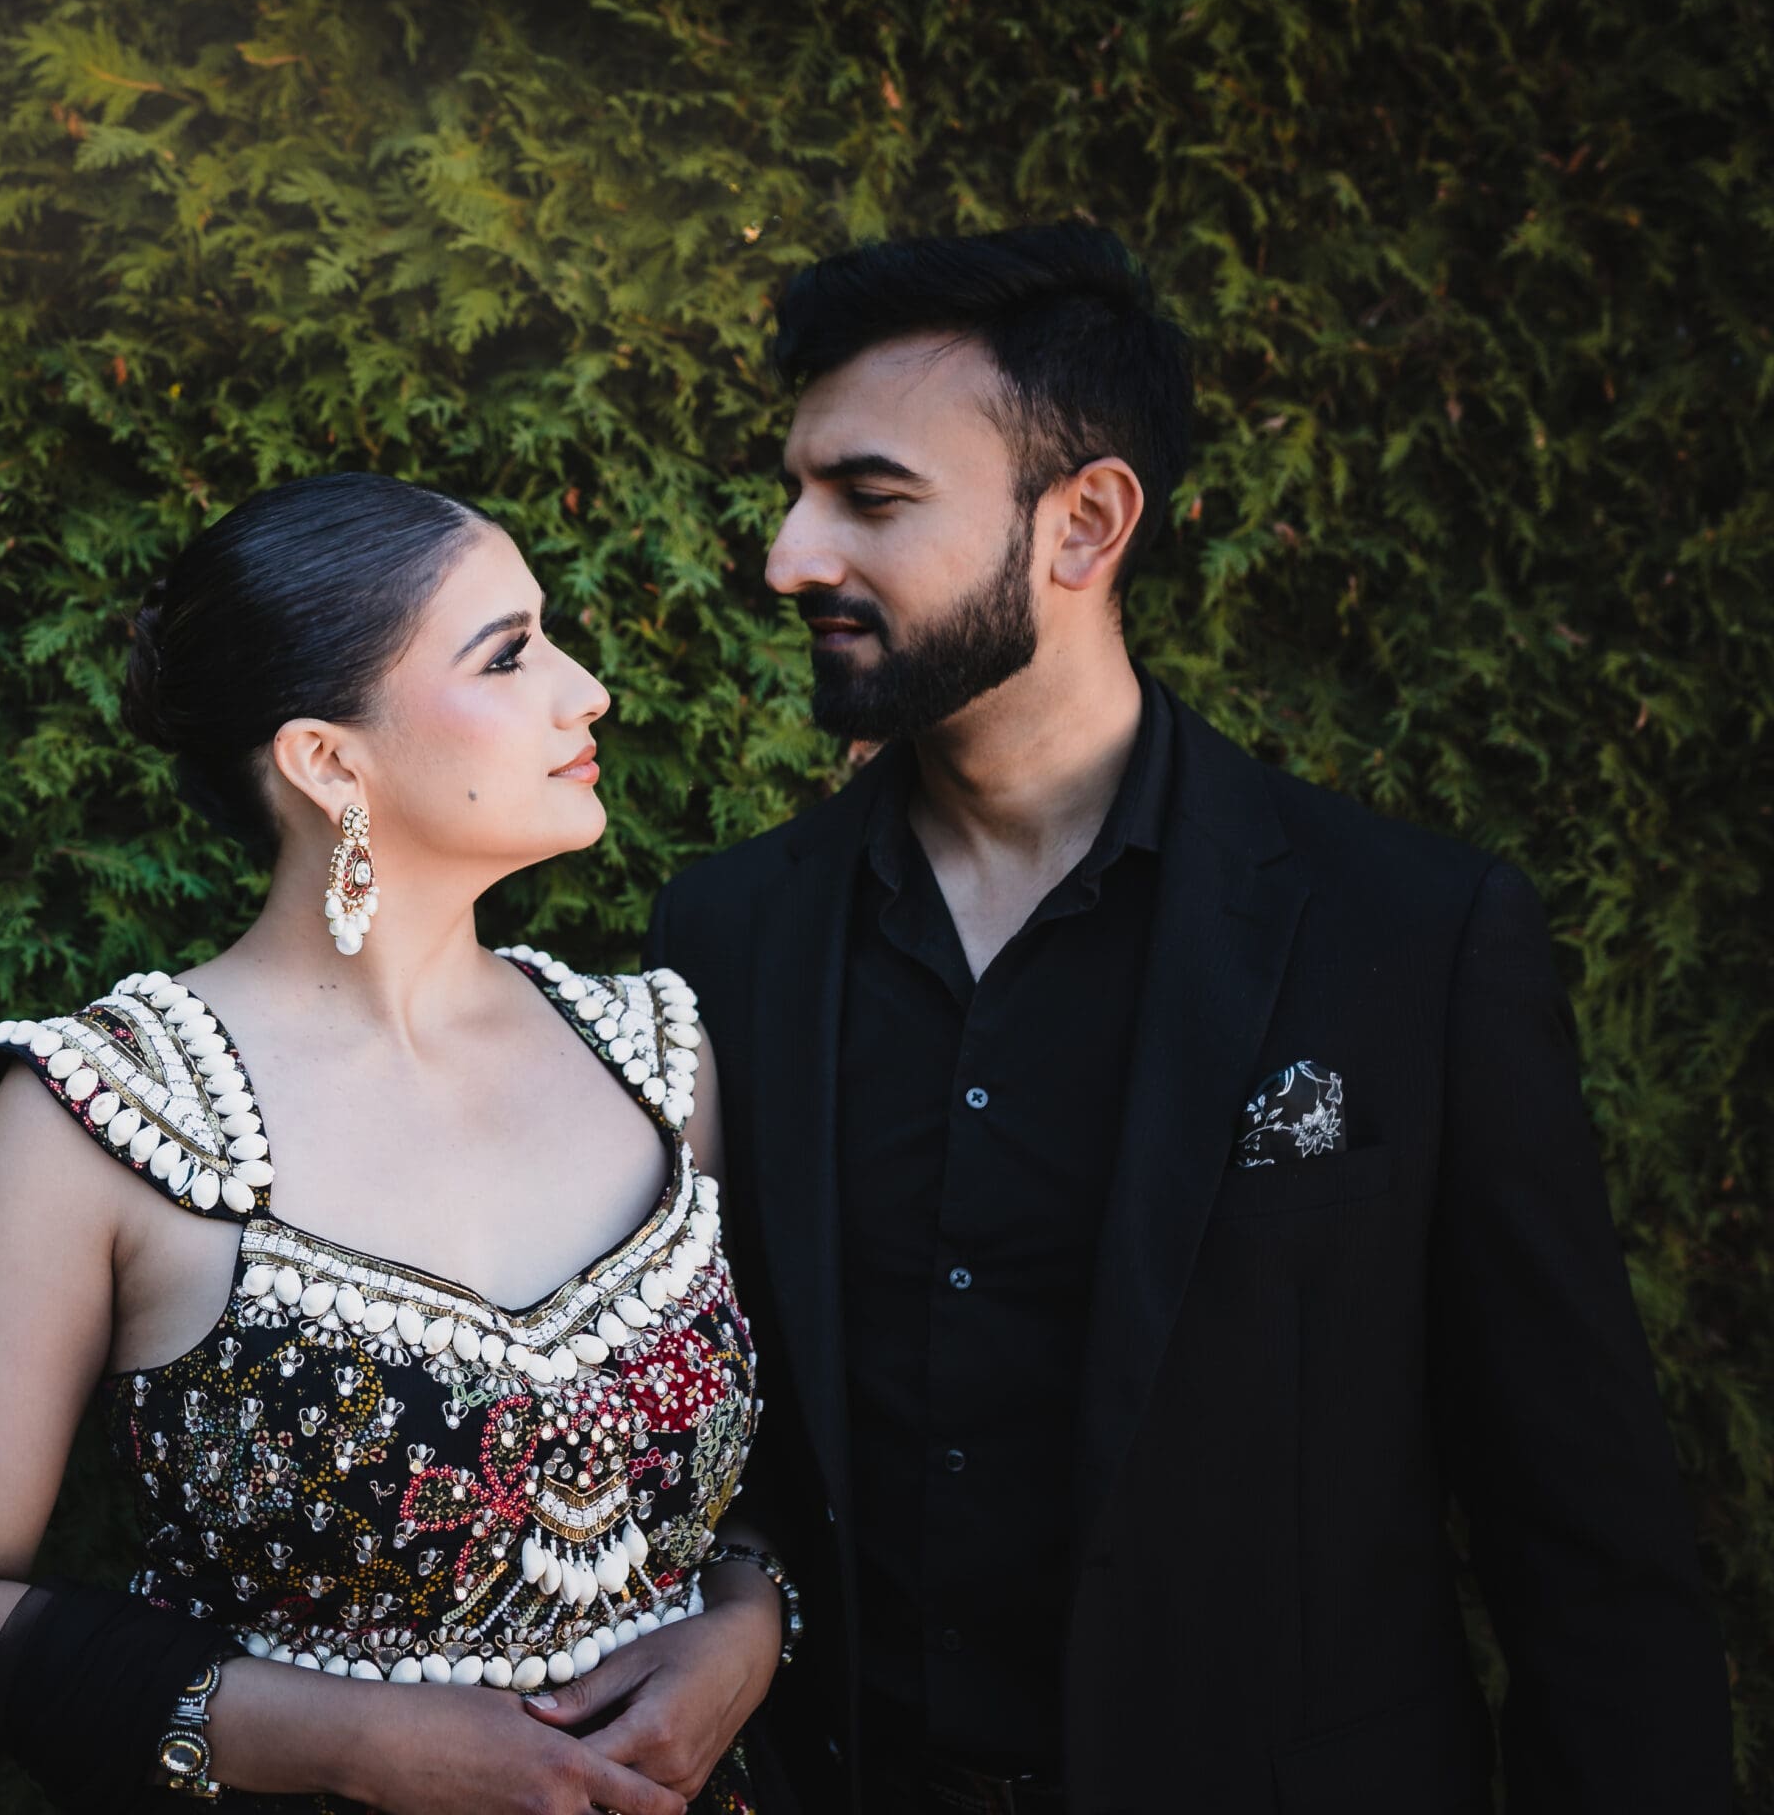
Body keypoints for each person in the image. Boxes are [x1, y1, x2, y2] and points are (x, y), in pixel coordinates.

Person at [644, 224, 1733, 1814]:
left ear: (1085, 522)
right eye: (798, 491)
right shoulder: (729, 934)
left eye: (870, 499)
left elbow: (1585, 1536)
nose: (789, 556)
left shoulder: (1410, 939)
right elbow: (720, 1445)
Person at [0, 472, 794, 1814]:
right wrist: (357, 1745)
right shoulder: (107, 1117)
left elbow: (771, 1474)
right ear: (327, 761)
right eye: (511, 653)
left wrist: (747, 1624)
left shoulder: (655, 1056)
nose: (584, 690)